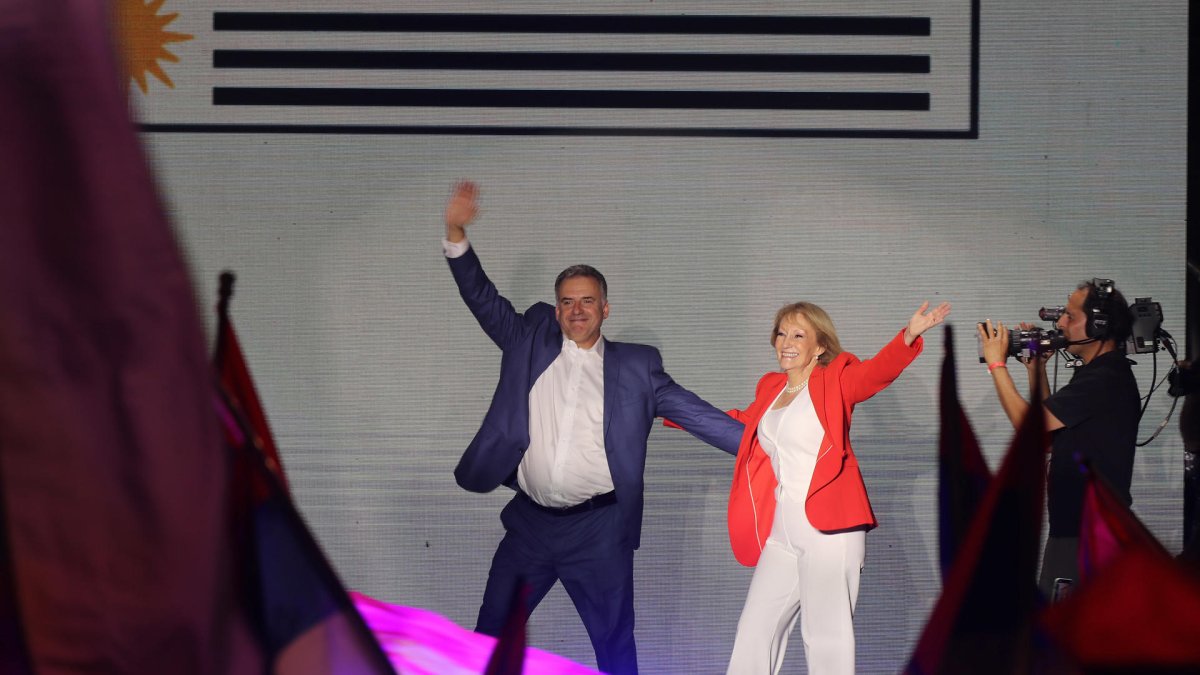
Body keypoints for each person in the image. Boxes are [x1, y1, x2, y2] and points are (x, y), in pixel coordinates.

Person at [441, 181, 744, 674]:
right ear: (556, 308)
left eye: (587, 301)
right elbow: (481, 297)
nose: (576, 310)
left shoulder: (637, 368)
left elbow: (700, 417)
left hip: (598, 531)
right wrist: (456, 231)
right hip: (531, 527)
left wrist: (771, 445)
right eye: (566, 301)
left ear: (605, 308)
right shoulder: (528, 340)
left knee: (615, 647)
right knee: (489, 639)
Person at [724, 299, 950, 674]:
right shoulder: (771, 388)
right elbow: (740, 426)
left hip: (829, 530)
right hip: (783, 530)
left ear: (820, 347)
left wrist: (908, 335)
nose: (786, 342)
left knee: (826, 637)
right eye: (781, 333)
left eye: (799, 334)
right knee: (754, 630)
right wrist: (674, 410)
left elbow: (874, 374)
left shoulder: (836, 377)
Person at [978, 279, 1139, 600]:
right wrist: (1036, 371)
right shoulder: (1094, 375)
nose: (1060, 323)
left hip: (1089, 534)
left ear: (1099, 324)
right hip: (1075, 530)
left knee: (1066, 640)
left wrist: (997, 364)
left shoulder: (1106, 378)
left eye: (1069, 316)